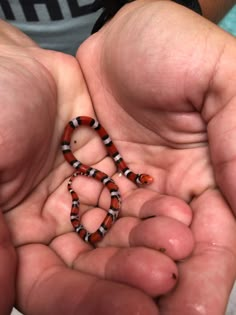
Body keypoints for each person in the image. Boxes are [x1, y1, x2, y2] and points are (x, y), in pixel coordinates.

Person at [0, 1, 236, 314]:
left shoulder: (117, 172)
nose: (146, 181)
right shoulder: (113, 171)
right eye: (144, 179)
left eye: (143, 179)